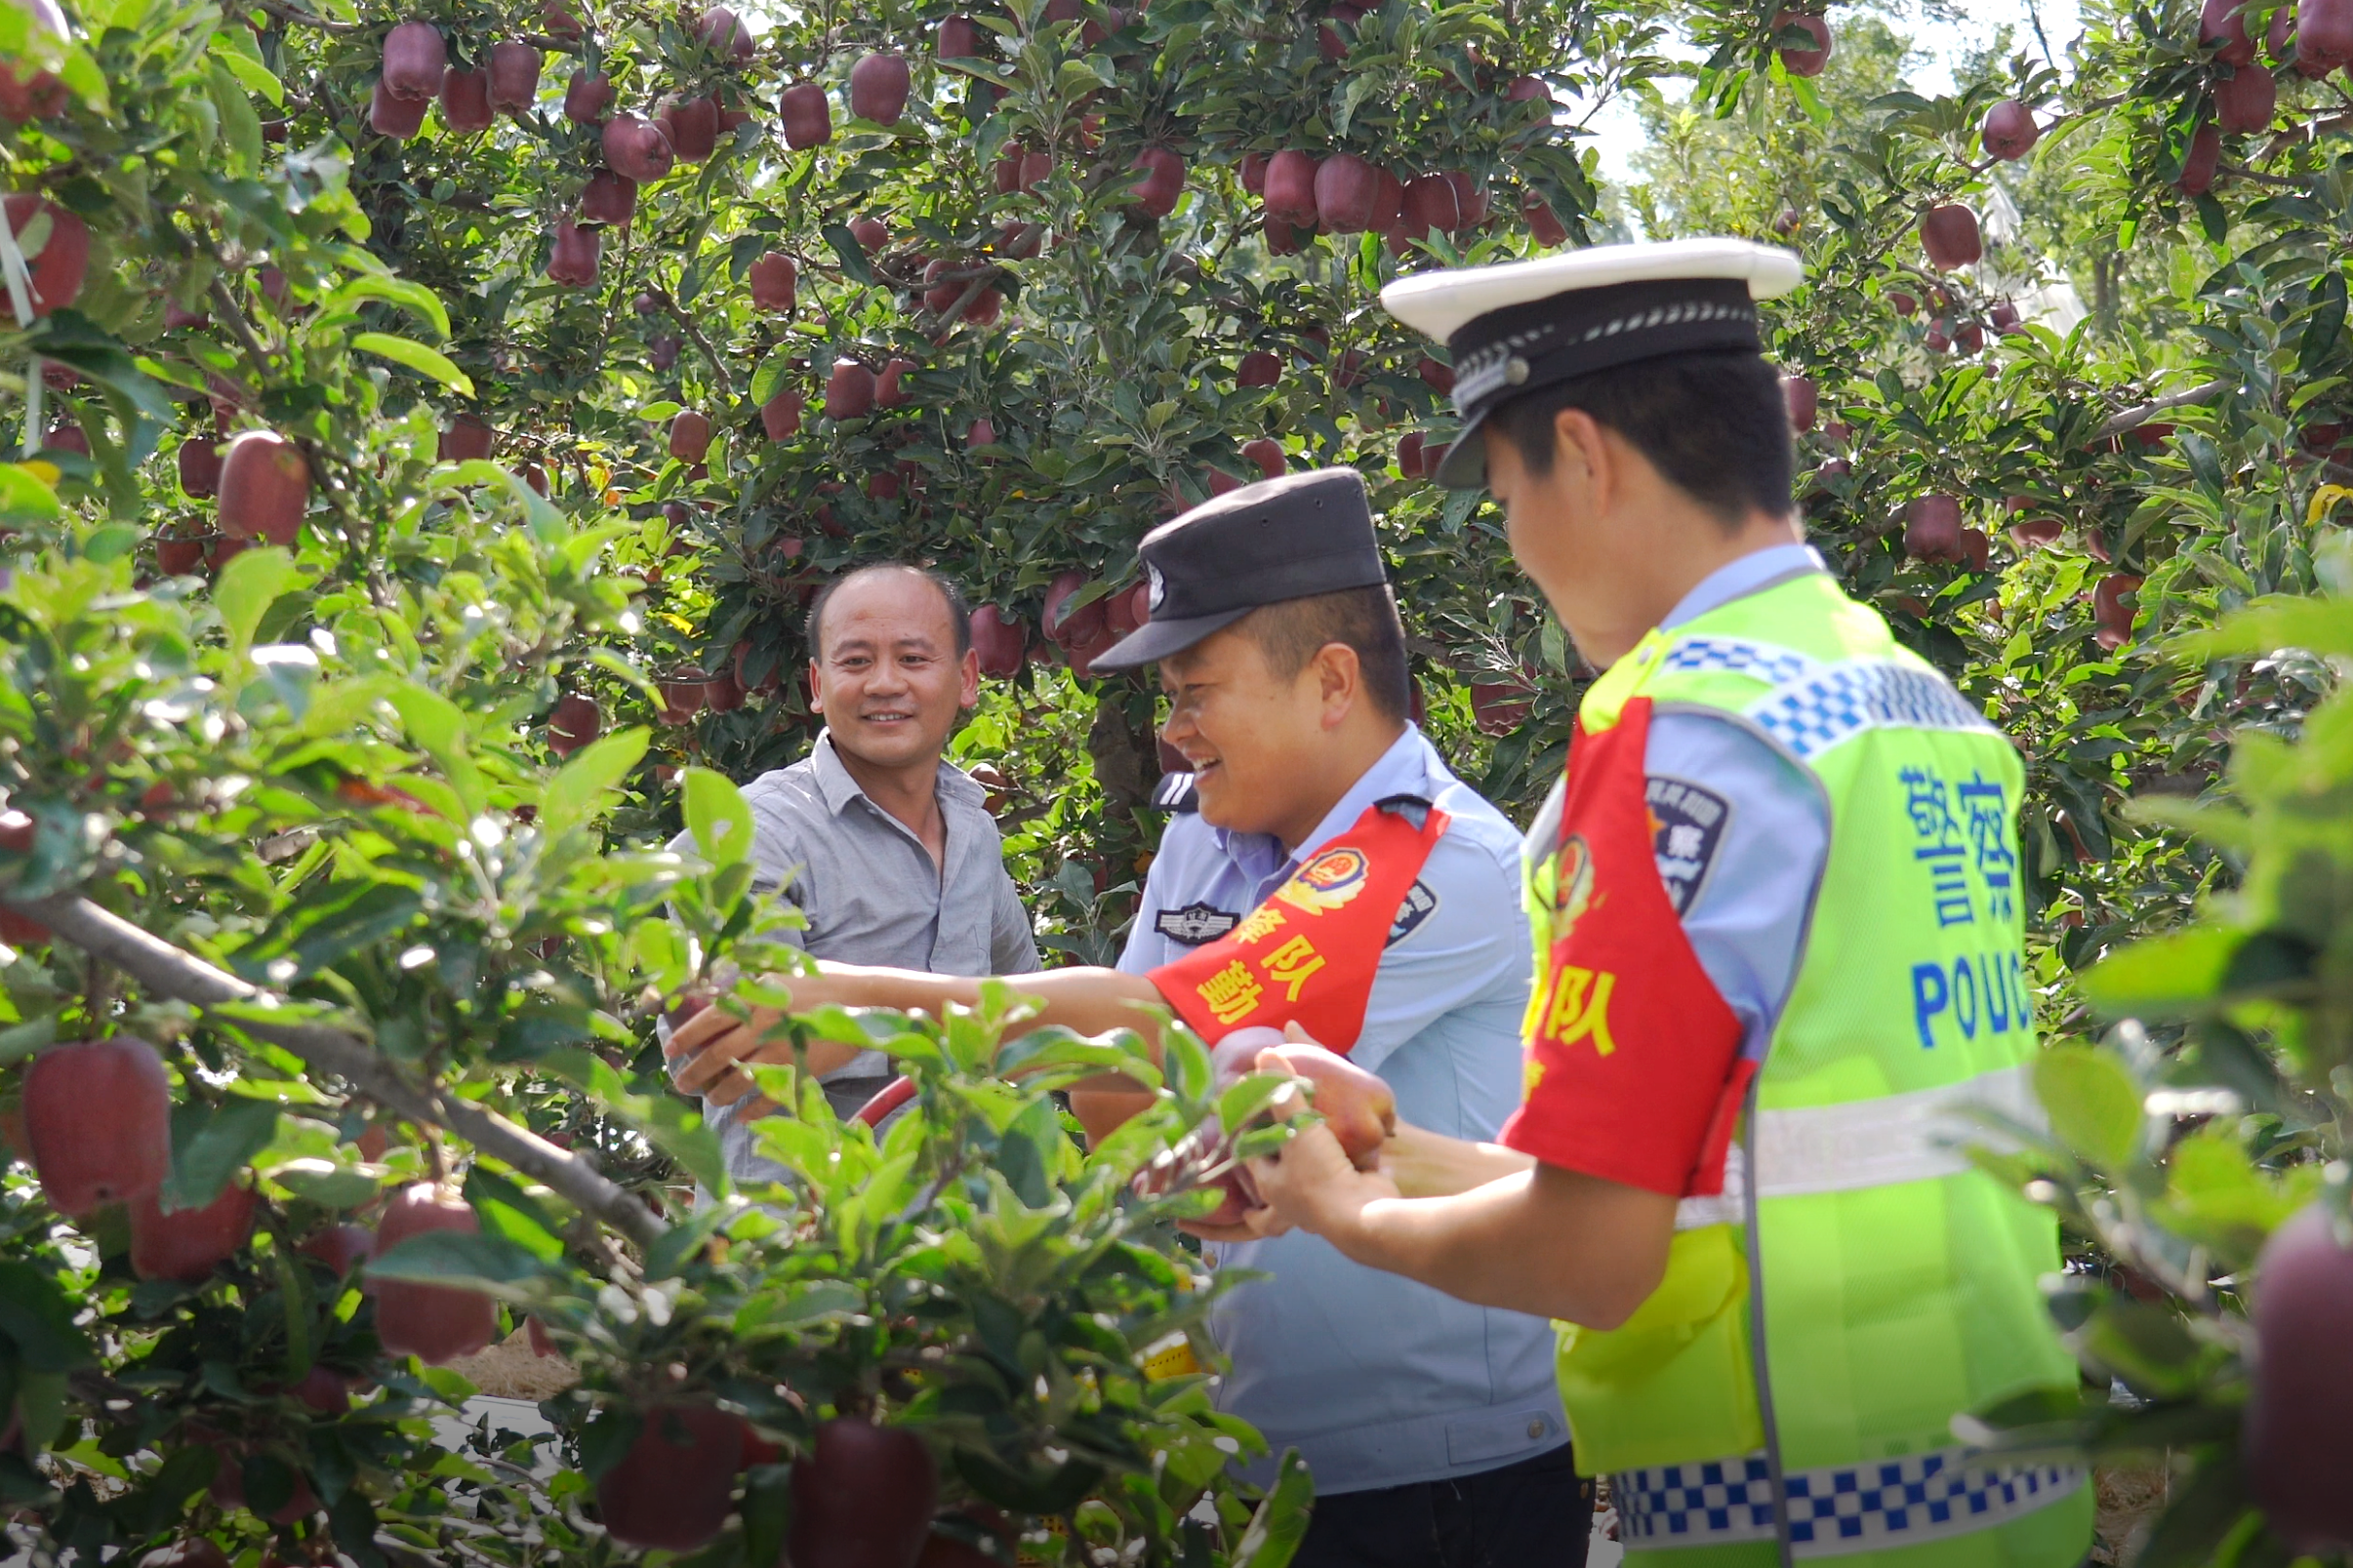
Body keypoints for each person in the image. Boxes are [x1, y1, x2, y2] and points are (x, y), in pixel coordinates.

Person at [1236, 240, 2096, 1567]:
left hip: (1795, 1510)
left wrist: (1346, 1214)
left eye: (1503, 490)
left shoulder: (1674, 737)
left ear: (1582, 455)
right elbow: (1715, 1172)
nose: (1513, 546)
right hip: (1998, 1497)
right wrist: (1373, 1147)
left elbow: (1594, 1254)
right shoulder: (1905, 704)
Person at [671, 469, 1586, 1567]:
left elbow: (1164, 1020)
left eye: (1198, 691)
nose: (1176, 729)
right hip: (1261, 1447)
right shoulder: (1204, 834)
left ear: (1330, 681)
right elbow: (1111, 1068)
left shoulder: (1438, 859)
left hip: (1439, 1470)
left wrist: (861, 1002)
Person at [667, 563, 1040, 1180]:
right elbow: (739, 1054)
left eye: (915, 659)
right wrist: (958, 1017)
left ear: (968, 678)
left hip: (966, 1241)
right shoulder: (751, 836)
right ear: (818, 683)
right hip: (802, 1240)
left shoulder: (974, 832)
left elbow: (1028, 1016)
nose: (885, 683)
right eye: (856, 662)